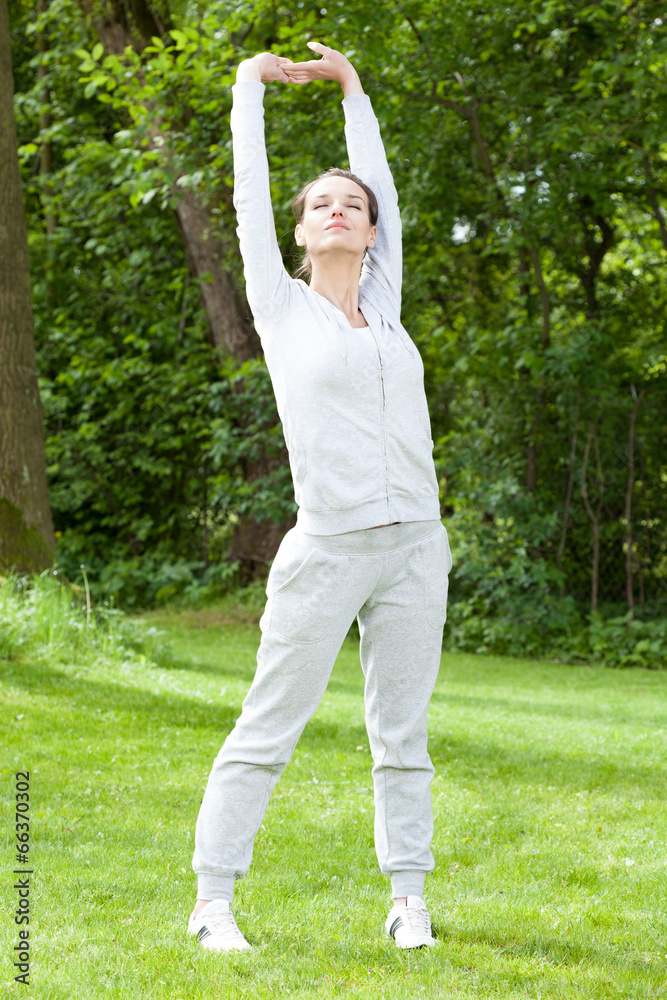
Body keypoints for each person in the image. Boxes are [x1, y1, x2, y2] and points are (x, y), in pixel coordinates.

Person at [188, 42, 452, 953]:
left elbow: (382, 183)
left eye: (354, 206)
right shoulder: (280, 306)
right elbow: (246, 194)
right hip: (328, 549)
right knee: (270, 725)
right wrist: (247, 89)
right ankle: (212, 902)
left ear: (372, 233)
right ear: (299, 232)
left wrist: (352, 91)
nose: (339, 211)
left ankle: (408, 900)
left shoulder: (387, 306)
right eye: (320, 206)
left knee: (402, 736)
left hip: (414, 548)